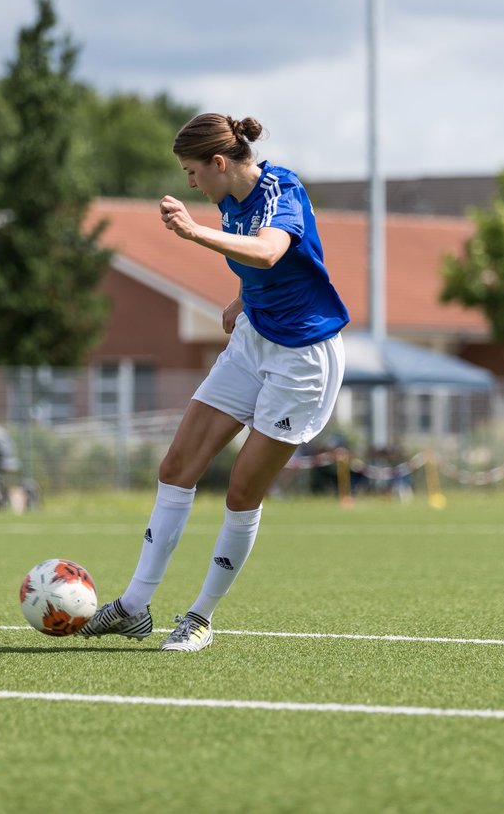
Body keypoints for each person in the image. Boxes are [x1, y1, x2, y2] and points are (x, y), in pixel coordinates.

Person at [78, 113, 349, 652]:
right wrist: (243, 299)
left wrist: (194, 233)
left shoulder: (281, 189)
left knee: (242, 490)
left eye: (191, 171)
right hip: (253, 340)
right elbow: (274, 267)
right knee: (176, 466)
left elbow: (272, 250)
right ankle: (133, 608)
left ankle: (199, 617)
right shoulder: (229, 198)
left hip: (302, 361)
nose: (190, 183)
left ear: (219, 164)